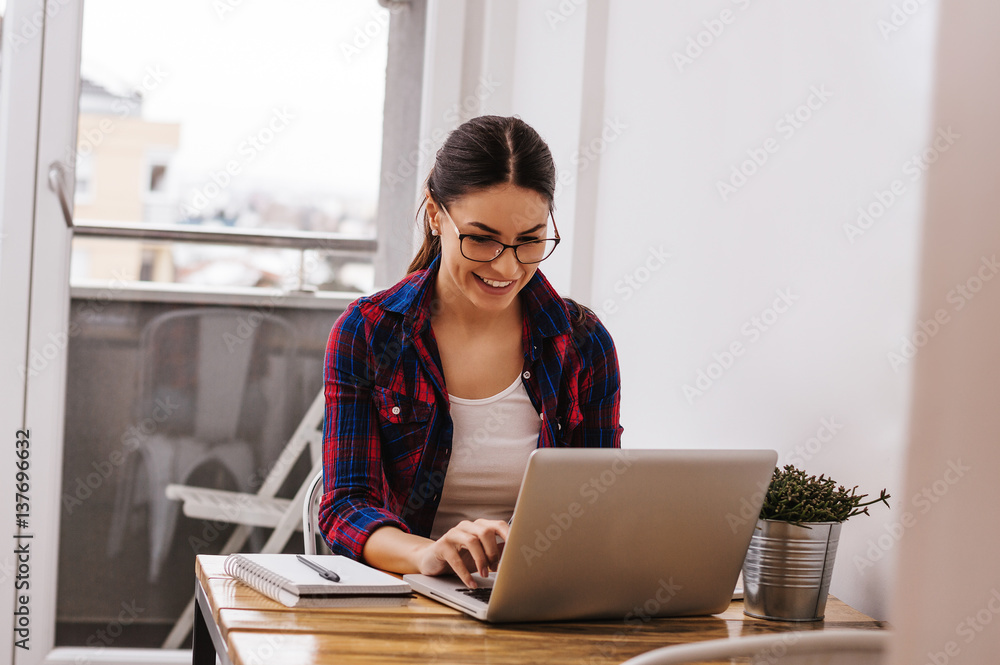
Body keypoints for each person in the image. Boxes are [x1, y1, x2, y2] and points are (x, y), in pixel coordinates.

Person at [319, 115, 622, 588]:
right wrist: (429, 554)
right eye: (481, 238)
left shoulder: (584, 344)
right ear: (436, 214)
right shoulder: (368, 333)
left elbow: (601, 503)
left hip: (543, 600)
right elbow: (345, 506)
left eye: (530, 241)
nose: (506, 265)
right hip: (411, 599)